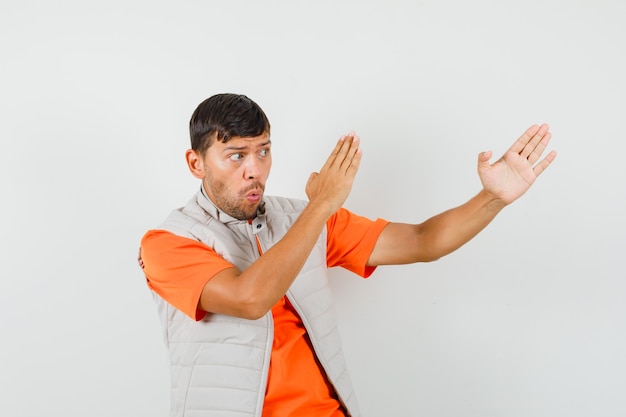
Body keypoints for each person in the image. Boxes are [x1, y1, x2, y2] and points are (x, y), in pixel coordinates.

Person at [138, 93, 556, 417]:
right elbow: (249, 299)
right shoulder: (167, 243)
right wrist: (320, 206)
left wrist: (493, 198)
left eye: (263, 151)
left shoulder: (300, 218)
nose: (255, 169)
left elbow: (423, 241)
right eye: (236, 156)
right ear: (196, 163)